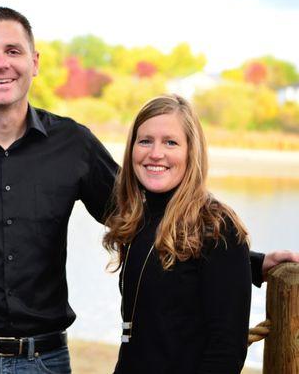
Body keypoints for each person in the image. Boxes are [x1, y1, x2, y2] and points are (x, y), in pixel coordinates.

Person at [0, 7, 298, 373]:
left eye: (13, 51)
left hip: (43, 360)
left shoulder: (72, 145)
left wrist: (246, 261)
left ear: (34, 62)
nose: (0, 64)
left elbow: (140, 217)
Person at [103, 95, 251, 373]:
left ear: (191, 152)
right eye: (145, 141)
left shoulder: (217, 227)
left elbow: (226, 350)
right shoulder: (138, 220)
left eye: (170, 142)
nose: (155, 153)